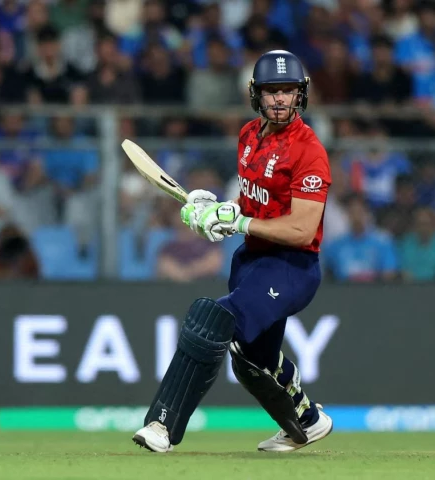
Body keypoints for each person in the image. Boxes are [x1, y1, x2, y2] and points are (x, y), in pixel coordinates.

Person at [133, 50, 333, 453]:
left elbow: (301, 229)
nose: (280, 99)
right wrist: (216, 209)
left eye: (288, 90)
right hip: (251, 261)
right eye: (272, 91)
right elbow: (252, 201)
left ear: (301, 94)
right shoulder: (248, 136)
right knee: (253, 359)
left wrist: (238, 223)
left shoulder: (309, 150)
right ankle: (308, 420)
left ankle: (162, 424)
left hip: (290, 267)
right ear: (256, 94)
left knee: (213, 319)